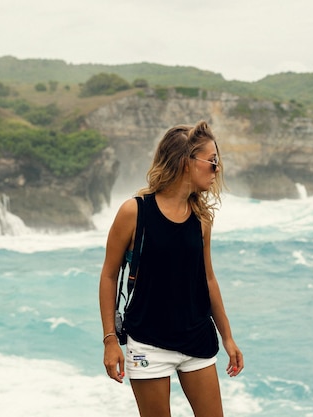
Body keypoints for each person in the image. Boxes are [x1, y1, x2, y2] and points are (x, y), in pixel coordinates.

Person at [99, 120, 244, 417]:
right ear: (185, 163)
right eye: (212, 161)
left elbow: (208, 278)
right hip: (148, 343)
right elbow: (109, 275)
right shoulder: (134, 212)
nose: (217, 170)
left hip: (197, 338)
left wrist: (227, 337)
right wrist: (110, 340)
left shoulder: (202, 218)